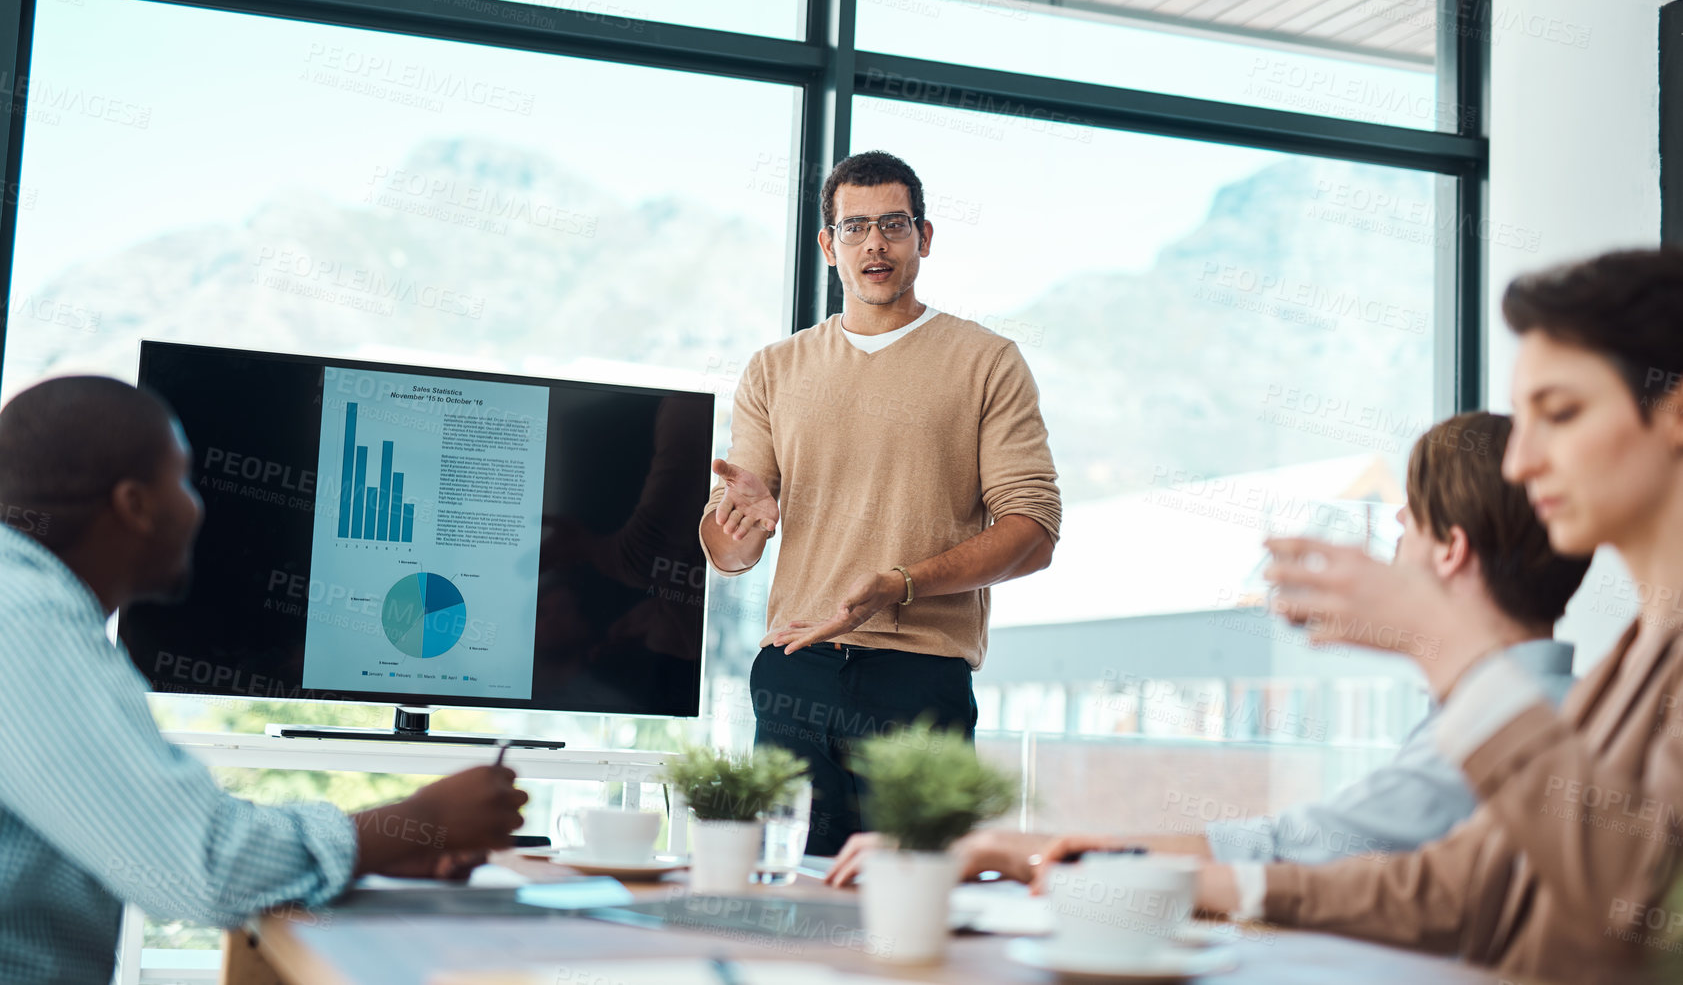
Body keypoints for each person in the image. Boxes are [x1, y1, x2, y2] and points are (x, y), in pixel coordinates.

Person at [1109, 246, 1683, 985]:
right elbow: (1466, 883)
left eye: (1562, 413)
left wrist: (1448, 644)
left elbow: (1628, 900)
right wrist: (1202, 884)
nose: (1520, 461)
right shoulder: (1633, 655)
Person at [826, 411, 1590, 886]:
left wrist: (1003, 849)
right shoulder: (1534, 710)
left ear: (1450, 550)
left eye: (1406, 529)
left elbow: (1288, 854)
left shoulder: (1506, 729)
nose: (1390, 543)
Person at [0, 376, 528, 985]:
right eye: (182, 479)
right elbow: (203, 870)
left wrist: (389, 848)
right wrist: (423, 817)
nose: (197, 506)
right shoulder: (25, 629)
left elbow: (160, 821)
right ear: (135, 506)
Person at [698, 151, 1062, 855]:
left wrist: (901, 584)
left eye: (892, 225)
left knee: (911, 902)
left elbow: (1033, 530)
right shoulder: (774, 368)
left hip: (918, 677)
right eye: (855, 226)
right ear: (827, 244)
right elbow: (730, 553)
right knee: (789, 902)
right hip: (794, 666)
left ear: (923, 237)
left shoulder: (987, 361)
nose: (875, 243)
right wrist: (740, 519)